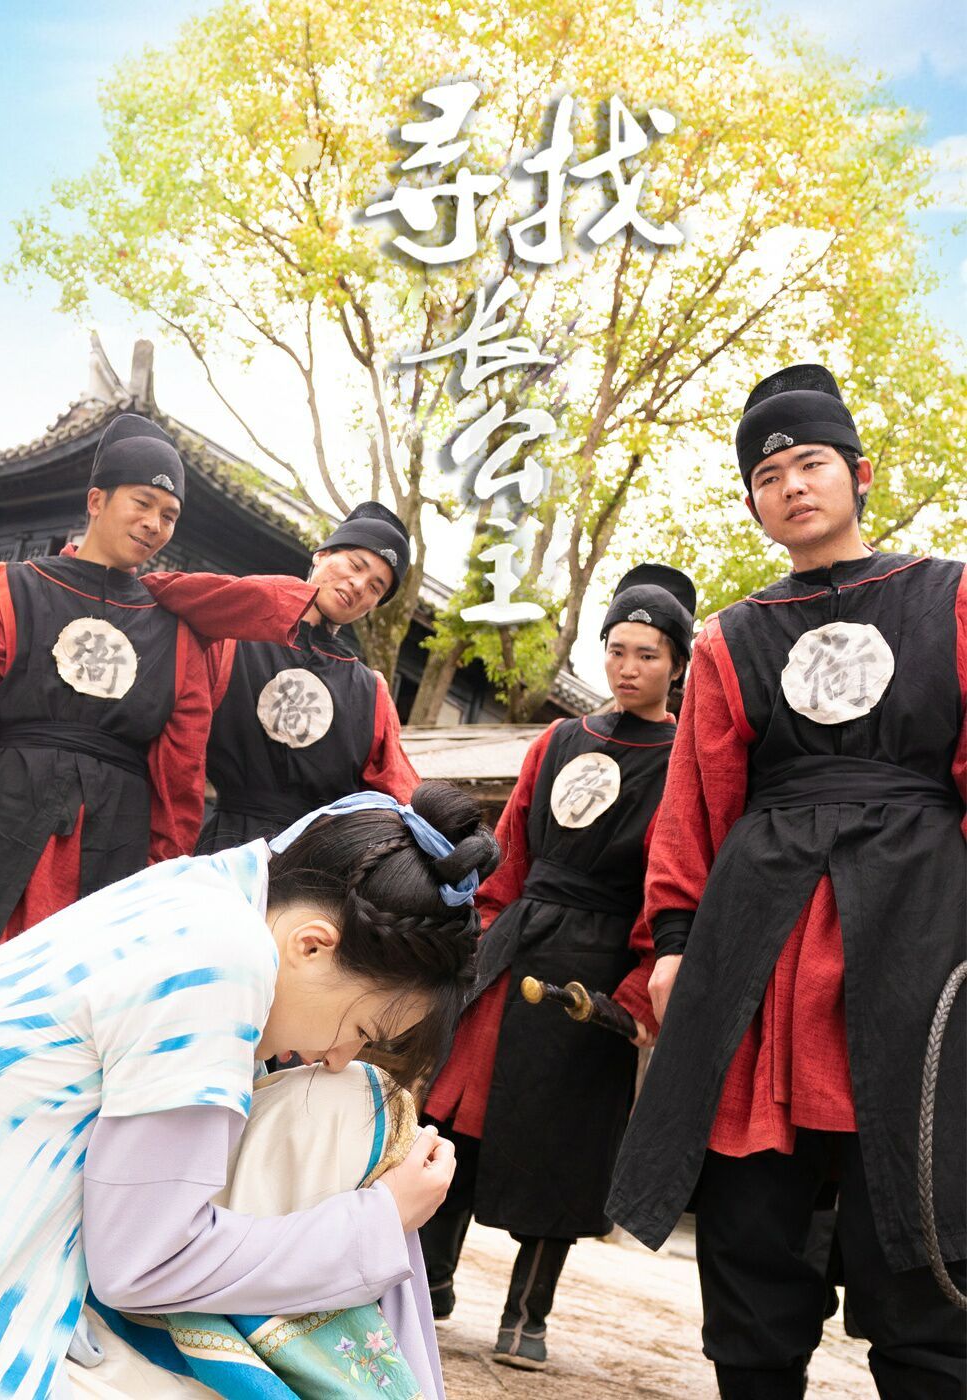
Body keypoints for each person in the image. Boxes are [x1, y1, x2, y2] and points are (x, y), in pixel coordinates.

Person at [0, 781, 500, 1399]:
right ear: (312, 945)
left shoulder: (202, 893)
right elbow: (143, 1264)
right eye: (362, 1029)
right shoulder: (219, 962)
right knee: (355, 1104)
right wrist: (379, 1223)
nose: (339, 1057)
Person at [606, 365, 967, 1400]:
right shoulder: (731, 636)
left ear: (859, 473)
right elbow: (695, 800)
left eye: (811, 463)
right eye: (769, 476)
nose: (793, 486)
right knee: (753, 1212)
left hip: (922, 928)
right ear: (754, 504)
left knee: (928, 1197)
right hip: (761, 937)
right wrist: (674, 941)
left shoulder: (951, 597)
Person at [0, 414, 318, 1051]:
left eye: (169, 515)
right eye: (142, 503)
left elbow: (180, 762)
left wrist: (165, 865)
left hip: (113, 834)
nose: (154, 524)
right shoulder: (3, 590)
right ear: (97, 500)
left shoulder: (176, 632)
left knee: (69, 1010)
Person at [420, 565, 696, 1371]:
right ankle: (430, 1281)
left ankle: (526, 1313)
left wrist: (637, 989)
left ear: (677, 664)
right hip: (517, 943)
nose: (628, 668)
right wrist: (481, 931)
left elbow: (673, 876)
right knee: (457, 1112)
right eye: (617, 650)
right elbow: (511, 847)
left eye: (647, 654)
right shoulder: (558, 739)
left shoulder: (683, 760)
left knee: (565, 1139)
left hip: (597, 964)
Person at [196, 502, 419, 851]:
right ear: (321, 554)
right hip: (221, 850)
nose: (359, 585)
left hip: (311, 863)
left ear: (374, 606)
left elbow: (400, 794)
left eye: (376, 587)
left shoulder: (371, 692)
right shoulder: (234, 640)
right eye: (356, 565)